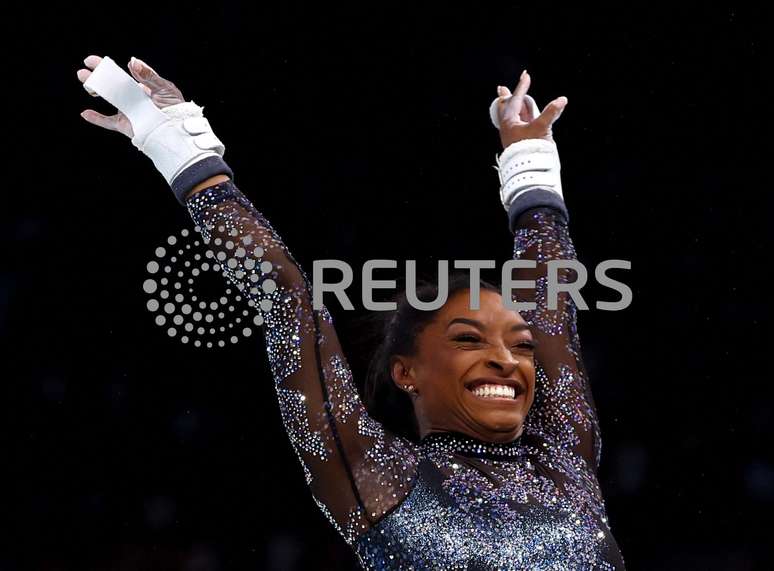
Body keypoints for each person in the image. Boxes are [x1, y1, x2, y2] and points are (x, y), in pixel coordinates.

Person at [77, 54, 626, 570]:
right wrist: (181, 148)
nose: (507, 359)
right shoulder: (377, 475)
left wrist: (529, 167)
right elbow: (288, 301)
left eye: (521, 345)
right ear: (405, 371)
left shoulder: (566, 458)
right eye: (468, 339)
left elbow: (553, 310)